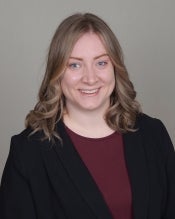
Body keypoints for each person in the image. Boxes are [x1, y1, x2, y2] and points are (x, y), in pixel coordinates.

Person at [0, 12, 174, 219]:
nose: (90, 78)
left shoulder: (153, 134)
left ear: (115, 68)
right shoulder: (28, 152)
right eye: (75, 64)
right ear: (57, 73)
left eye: (101, 63)